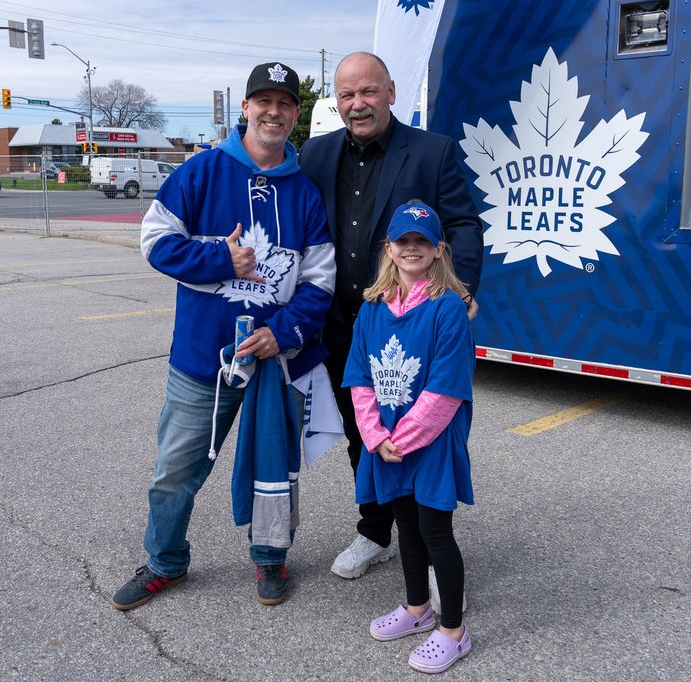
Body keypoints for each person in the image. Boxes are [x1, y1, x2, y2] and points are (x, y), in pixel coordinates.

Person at [112, 61, 335, 609]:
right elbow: (155, 242)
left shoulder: (304, 192)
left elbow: (320, 279)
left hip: (274, 361)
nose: (274, 112)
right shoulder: (200, 172)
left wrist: (281, 332)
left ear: (296, 114)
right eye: (264, 101)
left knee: (274, 466)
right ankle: (165, 562)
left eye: (285, 104)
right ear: (245, 107)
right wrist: (220, 257)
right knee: (175, 471)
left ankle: (270, 561)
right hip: (201, 361)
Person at [299, 51, 482, 579]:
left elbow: (464, 224)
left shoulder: (433, 152)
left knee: (426, 429)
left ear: (392, 92)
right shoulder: (314, 154)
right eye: (348, 95)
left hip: (412, 327)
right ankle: (375, 531)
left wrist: (462, 289)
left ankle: (427, 542)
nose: (358, 104)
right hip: (344, 328)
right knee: (366, 432)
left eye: (369, 92)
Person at [344, 201, 476, 674]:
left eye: (422, 241)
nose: (412, 248)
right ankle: (418, 609)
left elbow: (446, 387)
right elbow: (359, 377)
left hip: (430, 444)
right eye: (404, 241)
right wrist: (375, 435)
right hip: (388, 444)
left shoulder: (447, 310)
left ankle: (454, 631)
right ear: (390, 249)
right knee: (405, 526)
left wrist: (404, 436)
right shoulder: (373, 309)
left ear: (439, 249)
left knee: (436, 532)